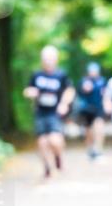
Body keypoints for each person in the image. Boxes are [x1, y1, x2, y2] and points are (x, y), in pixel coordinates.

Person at [24, 45, 74, 178]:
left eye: (51, 58)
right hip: (40, 112)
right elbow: (28, 90)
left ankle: (58, 157)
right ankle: (47, 167)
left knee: (54, 140)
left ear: (56, 59)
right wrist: (31, 93)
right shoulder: (36, 75)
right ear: (42, 59)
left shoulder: (61, 75)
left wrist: (64, 104)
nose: (48, 61)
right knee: (42, 142)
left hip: (54, 113)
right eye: (46, 58)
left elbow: (69, 90)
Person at [77, 62, 107, 160]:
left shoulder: (102, 81)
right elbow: (79, 93)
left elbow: (106, 93)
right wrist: (84, 89)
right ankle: (90, 149)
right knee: (88, 130)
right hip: (87, 109)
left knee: (99, 126)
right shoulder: (84, 81)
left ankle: (98, 149)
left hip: (99, 107)